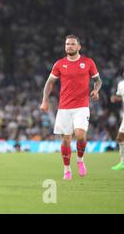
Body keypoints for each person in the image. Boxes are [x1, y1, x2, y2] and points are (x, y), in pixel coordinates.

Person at [40, 35, 102, 180]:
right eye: (67, 44)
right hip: (64, 108)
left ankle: (80, 160)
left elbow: (98, 80)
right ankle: (67, 169)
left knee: (80, 135)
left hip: (81, 106)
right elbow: (49, 83)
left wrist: (96, 90)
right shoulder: (59, 64)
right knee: (66, 139)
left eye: (73, 44)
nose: (69, 46)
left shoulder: (88, 62)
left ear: (79, 47)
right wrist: (45, 101)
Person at [110, 68, 124, 170]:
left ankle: (123, 162)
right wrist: (116, 98)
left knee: (120, 137)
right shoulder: (120, 84)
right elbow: (122, 97)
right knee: (121, 138)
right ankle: (123, 162)